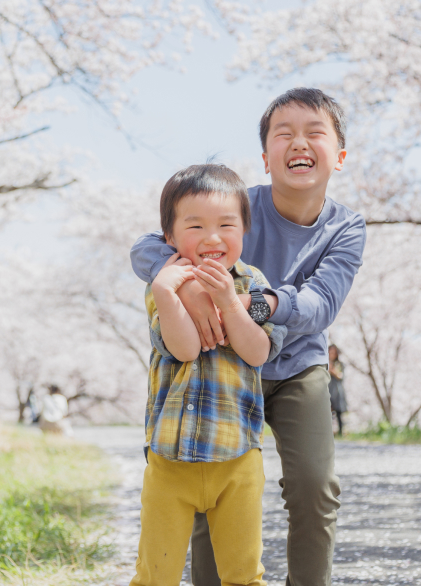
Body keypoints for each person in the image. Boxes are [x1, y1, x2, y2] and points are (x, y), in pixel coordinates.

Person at [130, 88, 366, 586]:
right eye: (285, 133)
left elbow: (320, 305)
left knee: (314, 486)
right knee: (209, 473)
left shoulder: (346, 227)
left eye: (314, 133)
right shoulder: (237, 208)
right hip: (227, 363)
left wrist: (252, 304)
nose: (299, 143)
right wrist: (188, 290)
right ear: (266, 156)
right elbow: (148, 247)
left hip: (297, 365)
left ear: (338, 155)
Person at [130, 164, 286, 586]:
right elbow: (183, 348)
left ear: (244, 230)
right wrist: (167, 291)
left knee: (243, 573)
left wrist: (230, 303)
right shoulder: (162, 282)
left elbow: (257, 352)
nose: (212, 237)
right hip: (170, 460)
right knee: (155, 574)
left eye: (226, 224)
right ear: (170, 237)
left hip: (236, 457)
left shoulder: (253, 284)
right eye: (195, 225)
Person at [328, 344, 347, 436]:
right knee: (327, 411)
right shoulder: (324, 363)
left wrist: (333, 371)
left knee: (338, 412)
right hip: (327, 388)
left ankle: (340, 432)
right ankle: (328, 432)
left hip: (336, 389)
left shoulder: (339, 364)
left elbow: (341, 376)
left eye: (333, 352)